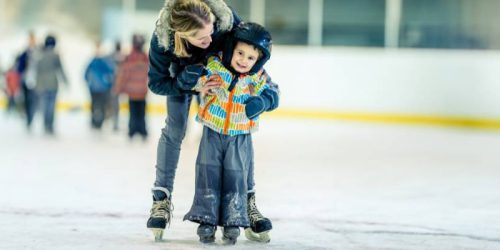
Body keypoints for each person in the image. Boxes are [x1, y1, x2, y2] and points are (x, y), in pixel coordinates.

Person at [146, 0, 279, 243]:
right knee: (175, 129)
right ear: (181, 35)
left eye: (211, 33)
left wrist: (261, 95)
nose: (210, 39)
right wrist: (191, 84)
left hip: (219, 74)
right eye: (201, 38)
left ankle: (247, 203)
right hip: (183, 76)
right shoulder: (162, 41)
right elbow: (156, 83)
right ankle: (161, 200)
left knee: (239, 131)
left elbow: (251, 53)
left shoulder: (225, 21)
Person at [183, 22, 276, 245]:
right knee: (208, 174)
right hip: (212, 131)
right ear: (231, 49)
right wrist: (197, 81)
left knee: (236, 177)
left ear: (258, 61)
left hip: (240, 135)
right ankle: (206, 219)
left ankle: (233, 220)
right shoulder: (216, 68)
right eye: (240, 53)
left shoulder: (256, 78)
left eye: (250, 58)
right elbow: (196, 80)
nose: (243, 60)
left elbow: (274, 93)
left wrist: (262, 101)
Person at [114, 34, 149, 140]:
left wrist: (118, 87)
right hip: (142, 91)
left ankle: (132, 131)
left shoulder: (129, 57)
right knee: (141, 112)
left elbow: (123, 74)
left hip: (132, 91)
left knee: (133, 112)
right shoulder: (145, 57)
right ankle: (142, 131)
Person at [35, 35, 68, 135]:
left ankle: (46, 125)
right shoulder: (55, 55)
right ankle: (50, 125)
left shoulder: (40, 55)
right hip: (53, 84)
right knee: (51, 106)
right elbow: (60, 69)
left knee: (45, 105)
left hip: (42, 84)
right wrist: (65, 81)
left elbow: (36, 70)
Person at [84, 41, 114, 130]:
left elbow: (110, 73)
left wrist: (108, 83)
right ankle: (94, 121)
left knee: (100, 105)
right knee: (95, 105)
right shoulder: (94, 61)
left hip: (101, 88)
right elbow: (85, 74)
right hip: (95, 88)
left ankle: (99, 122)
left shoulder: (103, 62)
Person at [16, 31, 39, 130]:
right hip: (25, 80)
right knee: (26, 100)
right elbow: (19, 67)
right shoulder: (24, 53)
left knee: (33, 100)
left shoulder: (39, 51)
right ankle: (28, 118)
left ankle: (31, 117)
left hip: (36, 80)